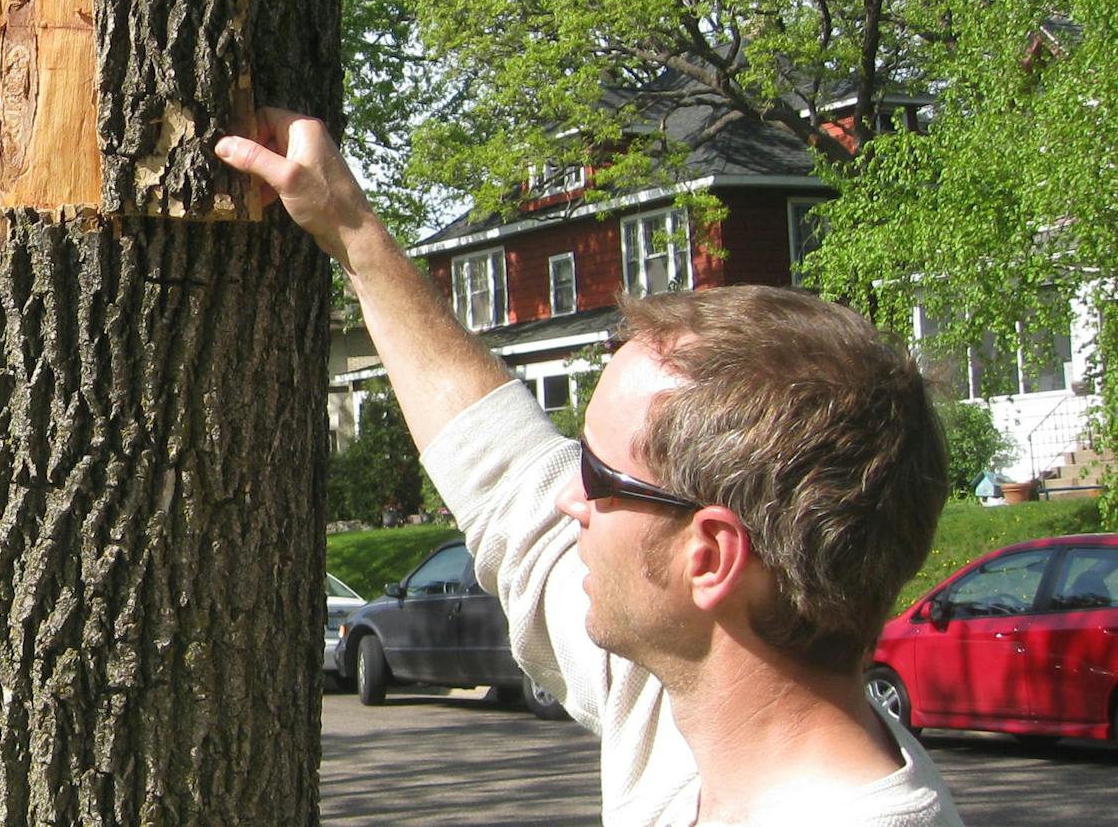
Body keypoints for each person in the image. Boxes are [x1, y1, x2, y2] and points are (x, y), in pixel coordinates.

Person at [214, 110, 962, 827]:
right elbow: (507, 477)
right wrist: (351, 230)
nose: (568, 499)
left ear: (709, 557)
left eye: (598, 479)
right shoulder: (683, 701)